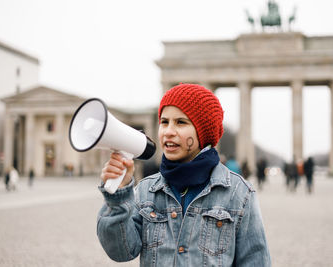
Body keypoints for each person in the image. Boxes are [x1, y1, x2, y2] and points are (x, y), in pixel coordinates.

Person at [97, 84, 271, 266]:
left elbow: (255, 260)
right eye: (164, 122)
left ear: (204, 132)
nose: (168, 131)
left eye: (181, 122)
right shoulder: (145, 190)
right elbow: (121, 252)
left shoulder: (239, 193)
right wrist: (117, 198)